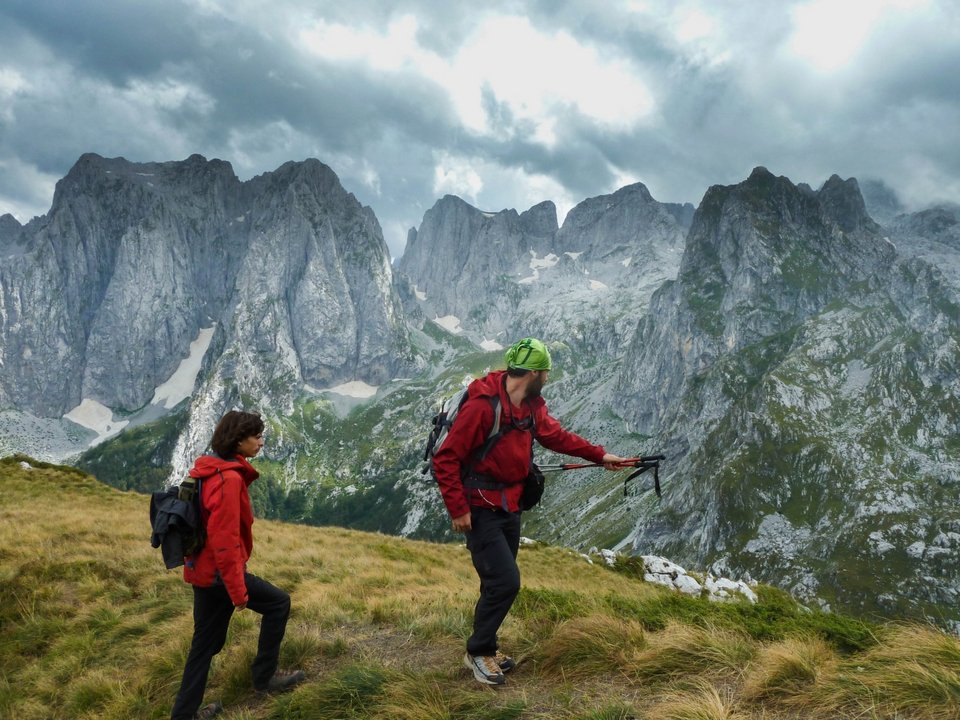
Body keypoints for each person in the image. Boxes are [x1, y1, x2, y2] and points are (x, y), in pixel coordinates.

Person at [432, 338, 627, 686]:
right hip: (481, 509)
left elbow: (558, 437)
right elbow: (445, 458)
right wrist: (458, 509)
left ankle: (486, 647)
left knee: (496, 582)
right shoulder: (483, 407)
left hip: (511, 504)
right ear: (534, 372)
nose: (549, 378)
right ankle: (478, 653)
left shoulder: (531, 406)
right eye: (547, 372)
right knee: (506, 582)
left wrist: (600, 456)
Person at [171, 410, 305, 720]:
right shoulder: (228, 480)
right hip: (220, 575)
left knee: (204, 646)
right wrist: (238, 591)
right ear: (238, 441)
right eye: (256, 436)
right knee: (278, 603)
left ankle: (184, 715)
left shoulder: (207, 469)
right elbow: (225, 541)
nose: (261, 441)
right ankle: (265, 679)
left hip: (201, 572)